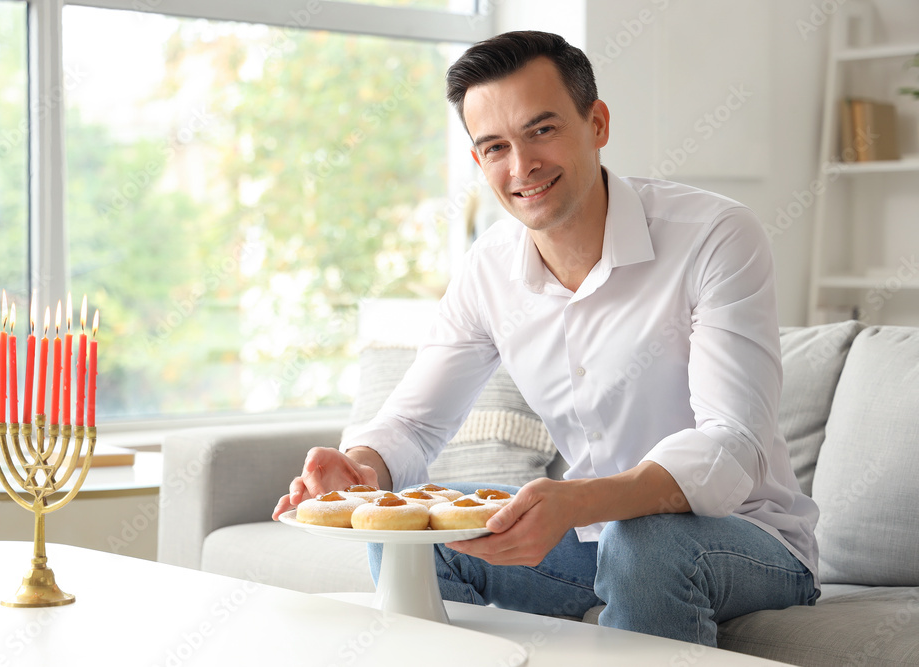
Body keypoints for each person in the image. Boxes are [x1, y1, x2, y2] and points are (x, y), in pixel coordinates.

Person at [273, 30, 819, 646]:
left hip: (746, 538)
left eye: (543, 130)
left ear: (597, 123)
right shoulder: (488, 269)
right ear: (478, 162)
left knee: (645, 539)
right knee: (415, 537)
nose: (522, 166)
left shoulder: (715, 236)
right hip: (594, 542)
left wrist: (578, 502)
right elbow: (414, 424)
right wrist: (361, 469)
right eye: (495, 146)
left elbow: (732, 445)